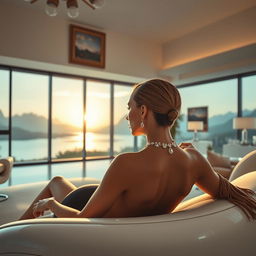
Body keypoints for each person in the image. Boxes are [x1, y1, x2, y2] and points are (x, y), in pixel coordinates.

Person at [19, 79, 256, 221]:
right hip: (102, 198)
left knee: (56, 182)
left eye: (129, 107)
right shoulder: (193, 160)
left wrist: (52, 205)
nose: (126, 115)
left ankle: (7, 235)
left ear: (143, 111)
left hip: (86, 206)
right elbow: (228, 191)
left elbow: (84, 219)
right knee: (62, 181)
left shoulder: (126, 163)